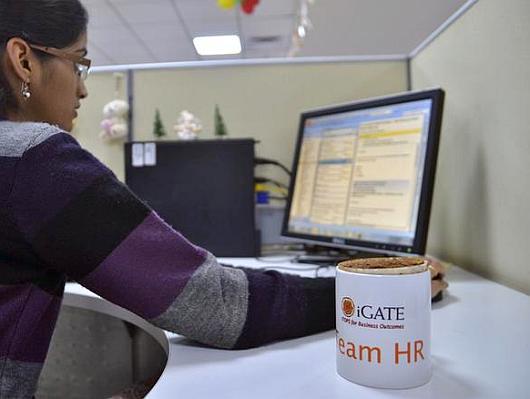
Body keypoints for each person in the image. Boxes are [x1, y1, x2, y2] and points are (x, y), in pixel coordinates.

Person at [0, 1, 335, 397]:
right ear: (24, 60)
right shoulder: (35, 159)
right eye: (78, 63)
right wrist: (364, 290)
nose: (83, 87)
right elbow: (218, 306)